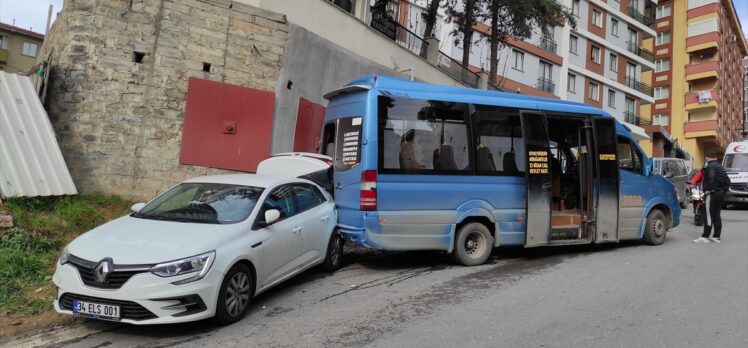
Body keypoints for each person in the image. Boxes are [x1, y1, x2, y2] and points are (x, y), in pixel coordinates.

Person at [693, 151, 731, 244]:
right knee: (717, 215)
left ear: (707, 157)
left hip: (711, 194)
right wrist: (722, 192)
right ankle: (716, 237)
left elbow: (711, 177)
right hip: (719, 193)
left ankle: (705, 237)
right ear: (716, 157)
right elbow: (728, 182)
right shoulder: (721, 167)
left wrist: (709, 190)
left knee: (708, 215)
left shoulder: (710, 166)